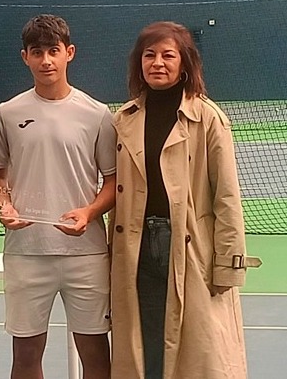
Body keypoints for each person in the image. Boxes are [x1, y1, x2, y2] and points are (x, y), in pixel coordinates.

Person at [110, 21, 262, 379]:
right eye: (149, 55)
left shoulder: (209, 119)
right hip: (137, 248)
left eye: (168, 55)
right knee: (144, 344)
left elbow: (227, 197)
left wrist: (227, 264)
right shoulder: (123, 119)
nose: (157, 63)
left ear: (185, 64)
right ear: (139, 63)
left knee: (200, 352)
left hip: (193, 249)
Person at [0, 14, 115, 379]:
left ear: (69, 53)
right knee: (26, 354)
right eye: (37, 52)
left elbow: (113, 182)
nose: (46, 60)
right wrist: (4, 204)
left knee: (95, 353)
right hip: (26, 253)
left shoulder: (97, 115)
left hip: (87, 254)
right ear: (25, 56)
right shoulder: (7, 114)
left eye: (53, 51)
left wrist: (90, 213)